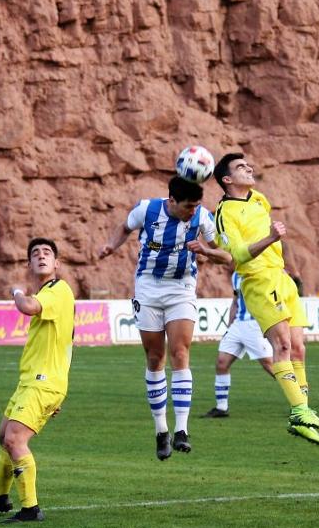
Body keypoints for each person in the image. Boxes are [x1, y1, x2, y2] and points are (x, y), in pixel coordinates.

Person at [97, 176, 231, 459]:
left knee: (180, 352)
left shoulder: (203, 218)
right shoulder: (146, 210)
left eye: (196, 206)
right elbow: (124, 227)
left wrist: (206, 250)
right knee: (155, 357)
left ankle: (181, 430)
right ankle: (161, 431)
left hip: (182, 288)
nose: (193, 211)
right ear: (172, 201)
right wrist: (111, 246)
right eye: (187, 207)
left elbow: (226, 256)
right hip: (148, 286)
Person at [213, 153, 319, 444]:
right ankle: (299, 411)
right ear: (227, 180)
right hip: (259, 280)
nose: (249, 168)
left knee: (299, 348)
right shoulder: (224, 213)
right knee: (283, 345)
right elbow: (236, 256)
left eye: (248, 165)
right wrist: (271, 239)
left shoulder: (259, 200)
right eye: (240, 167)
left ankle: (303, 410)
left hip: (281, 276)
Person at [0, 238, 76, 523]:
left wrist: (17, 291)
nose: (41, 256)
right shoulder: (50, 294)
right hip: (34, 381)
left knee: (15, 439)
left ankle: (31, 509)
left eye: (47, 253)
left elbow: (27, 307)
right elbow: (68, 342)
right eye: (35, 254)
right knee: (3, 435)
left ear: (57, 264)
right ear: (29, 264)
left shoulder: (58, 289)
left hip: (43, 382)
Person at [203, 271, 274, 418]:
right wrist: (229, 327)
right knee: (221, 363)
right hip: (237, 325)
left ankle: (298, 402)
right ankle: (221, 408)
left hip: (255, 325)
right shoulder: (236, 275)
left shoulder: (260, 271)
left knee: (270, 365)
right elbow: (235, 301)